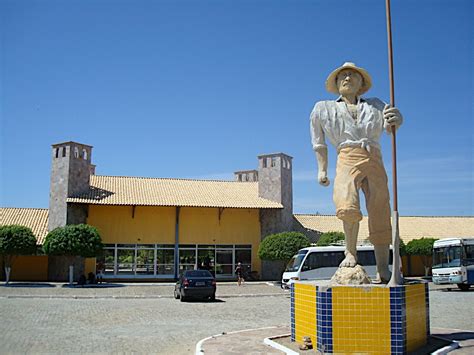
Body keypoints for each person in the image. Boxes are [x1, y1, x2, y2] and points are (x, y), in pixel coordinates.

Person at [310, 62, 403, 283]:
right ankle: (350, 252)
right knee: (346, 202)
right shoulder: (323, 108)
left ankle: (383, 267)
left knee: (380, 209)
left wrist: (397, 120)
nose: (347, 77)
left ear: (361, 84)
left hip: (374, 157)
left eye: (352, 75)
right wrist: (322, 169)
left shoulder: (376, 105)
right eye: (343, 75)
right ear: (336, 82)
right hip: (347, 155)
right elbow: (319, 143)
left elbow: (391, 126)